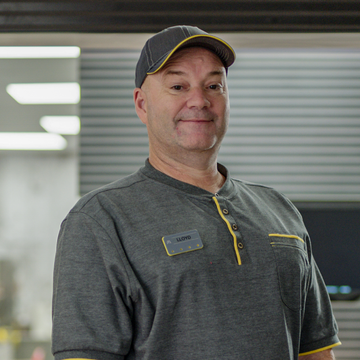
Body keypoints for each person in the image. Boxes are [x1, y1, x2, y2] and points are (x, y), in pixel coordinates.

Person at [52, 25, 341, 360]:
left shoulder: (279, 210)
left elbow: (314, 350)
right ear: (142, 105)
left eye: (214, 86)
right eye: (178, 86)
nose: (199, 101)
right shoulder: (100, 219)